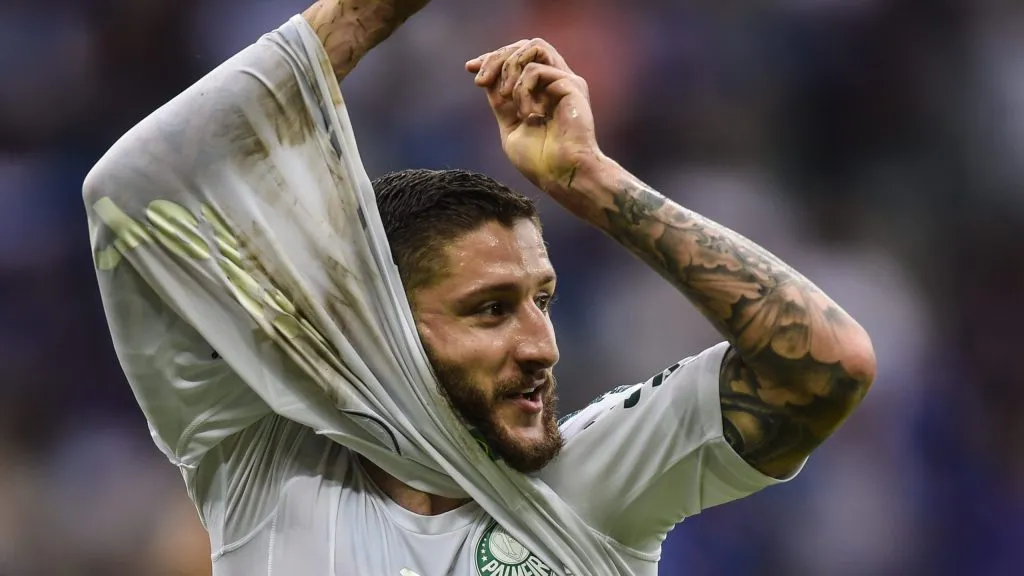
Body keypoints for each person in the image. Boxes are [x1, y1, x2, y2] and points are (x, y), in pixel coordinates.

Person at [84, 0, 876, 574]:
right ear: (381, 324)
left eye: (543, 300)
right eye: (492, 310)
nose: (541, 345)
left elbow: (826, 365)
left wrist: (592, 182)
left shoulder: (591, 481)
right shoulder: (259, 465)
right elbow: (128, 191)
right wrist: (362, 18)